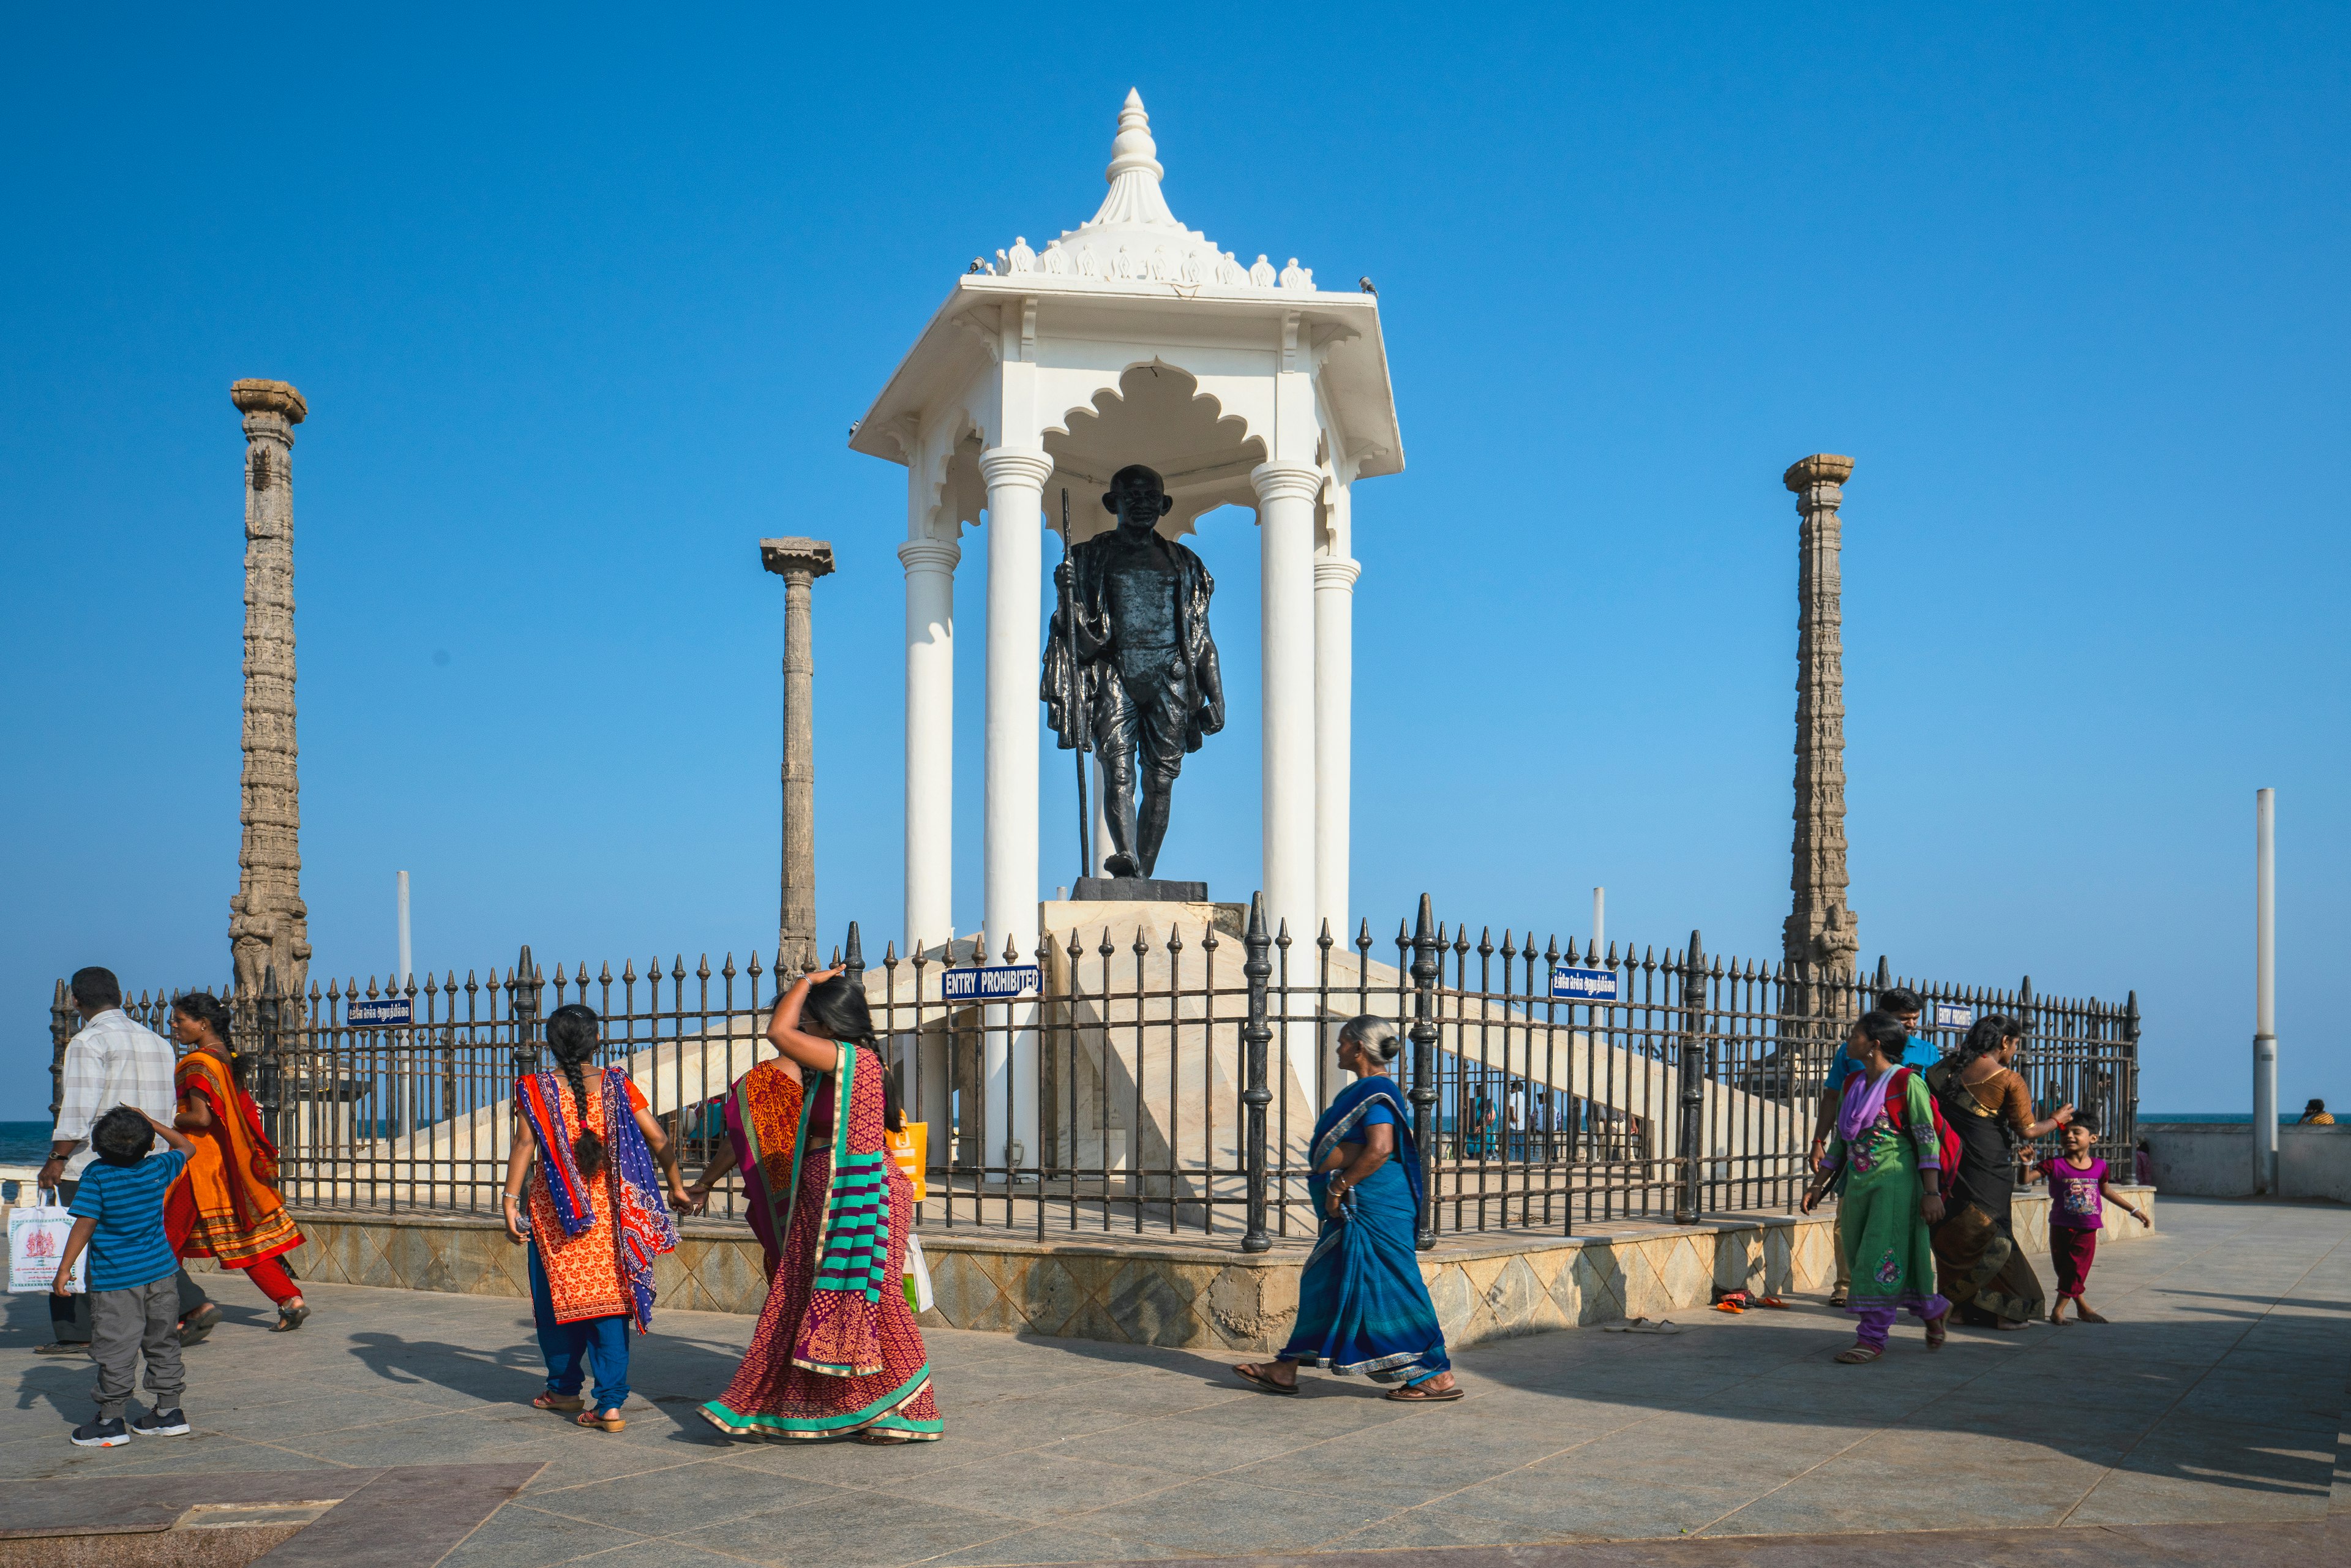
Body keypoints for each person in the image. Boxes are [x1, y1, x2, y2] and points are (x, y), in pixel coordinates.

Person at [700, 968, 944, 1442]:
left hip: (859, 1196)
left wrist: (806, 983)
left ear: (830, 1023)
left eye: (810, 1020)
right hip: (829, 1192)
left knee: (878, 1298)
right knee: (816, 1296)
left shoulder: (851, 1058)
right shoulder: (844, 1064)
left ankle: (916, 1412)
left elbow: (777, 1032)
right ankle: (847, 1404)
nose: (803, 1029)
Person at [1231, 1016, 1461, 1401]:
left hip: (1372, 1206)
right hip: (1358, 1209)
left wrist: (1338, 1186)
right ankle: (1286, 1368)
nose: (1336, 1049)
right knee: (1325, 1280)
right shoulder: (1369, 1090)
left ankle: (1434, 1374)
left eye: (1341, 1043)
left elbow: (1381, 1147)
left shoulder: (1377, 1091)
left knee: (1395, 1286)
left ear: (1358, 1048)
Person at [499, 1003, 687, 1432]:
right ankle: (610, 1404)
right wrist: (676, 1185)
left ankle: (564, 1389)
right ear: (596, 1041)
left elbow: (524, 1144)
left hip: (556, 1214)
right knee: (609, 1306)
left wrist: (510, 1201)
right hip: (610, 1213)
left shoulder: (534, 1086)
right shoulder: (618, 1084)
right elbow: (657, 1135)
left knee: (556, 1304)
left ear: (550, 1043)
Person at [38, 967, 217, 1356]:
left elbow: (78, 1110)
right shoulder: (158, 1042)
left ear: (76, 1002)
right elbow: (168, 1109)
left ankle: (76, 1330)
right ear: (119, 996)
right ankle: (192, 1303)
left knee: (81, 1237)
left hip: (97, 1161)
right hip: (150, 1160)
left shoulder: (88, 1042)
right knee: (143, 1233)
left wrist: (56, 1157)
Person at [1802, 1010, 1949, 1363]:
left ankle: (1871, 1339)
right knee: (1858, 1253)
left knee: (1878, 1257)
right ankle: (1933, 1309)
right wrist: (1819, 1184)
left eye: (1855, 1036)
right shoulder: (1854, 1084)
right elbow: (1842, 1141)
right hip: (1858, 1184)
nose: (1849, 1041)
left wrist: (1931, 1192)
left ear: (1874, 1045)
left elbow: (1927, 1139)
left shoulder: (1906, 1083)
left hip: (1895, 1184)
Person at [50, 1108, 197, 1446]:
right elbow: (186, 1146)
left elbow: (85, 1222)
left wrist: (64, 1268)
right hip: (162, 1274)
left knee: (116, 1348)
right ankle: (169, 1413)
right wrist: (151, 1122)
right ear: (148, 1146)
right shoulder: (158, 1167)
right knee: (163, 1342)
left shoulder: (97, 1175)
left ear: (99, 1148)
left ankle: (110, 1421)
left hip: (117, 1282)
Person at [164, 991, 309, 1329]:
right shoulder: (226, 1059)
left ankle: (180, 1312)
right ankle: (290, 1299)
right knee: (242, 1237)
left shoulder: (198, 1062)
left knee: (166, 1237)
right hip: (230, 1165)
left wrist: (170, 1119)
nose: (173, 1025)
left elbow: (200, 1119)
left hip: (199, 1166)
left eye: (179, 1019)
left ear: (202, 1024)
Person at [1925, 1015, 2069, 1330]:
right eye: (2015, 1044)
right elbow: (2028, 1129)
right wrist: (2057, 1120)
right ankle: (2006, 1312)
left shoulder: (1941, 1070)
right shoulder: (2008, 1079)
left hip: (1948, 1164)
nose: (2014, 1051)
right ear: (2005, 1042)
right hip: (1988, 1168)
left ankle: (1959, 1309)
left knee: (1954, 1232)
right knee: (1995, 1234)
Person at [1810, 986, 1933, 1307]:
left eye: (1914, 1019)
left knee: (1886, 1237)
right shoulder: (1852, 1070)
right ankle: (1849, 1286)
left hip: (1896, 1173)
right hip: (1857, 1167)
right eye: (1904, 1019)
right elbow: (1836, 1110)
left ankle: (1877, 1313)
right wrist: (1818, 1154)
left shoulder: (1917, 1068)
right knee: (1850, 1230)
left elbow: (1926, 1131)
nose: (1911, 1026)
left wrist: (1932, 1189)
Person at [681, 1025, 805, 1277]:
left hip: (804, 1202)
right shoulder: (850, 1066)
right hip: (843, 1199)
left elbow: (736, 1140)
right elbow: (738, 1139)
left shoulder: (759, 1081)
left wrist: (704, 1184)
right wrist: (704, 1183)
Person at [2038, 1111, 2149, 1324]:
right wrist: (2026, 1164)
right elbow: (2026, 1179)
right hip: (2060, 1226)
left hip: (2087, 1228)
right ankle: (2082, 1308)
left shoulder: (2100, 1166)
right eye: (2065, 1133)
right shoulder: (2055, 1164)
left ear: (2093, 1138)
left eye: (2076, 1132)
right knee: (2065, 1270)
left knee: (2076, 1270)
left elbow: (2106, 1191)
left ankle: (2058, 1311)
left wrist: (2134, 1211)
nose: (2069, 1136)